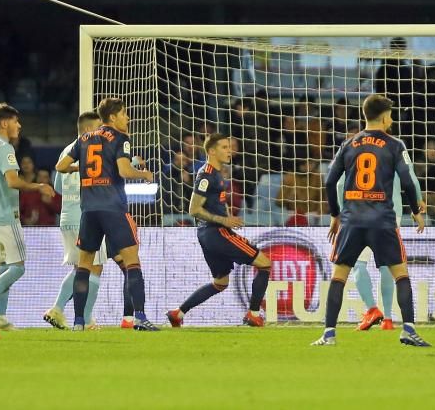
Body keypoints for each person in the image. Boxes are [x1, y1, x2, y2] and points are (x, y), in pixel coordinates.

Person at [312, 94, 430, 347]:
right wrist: (415, 210)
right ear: (385, 116)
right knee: (400, 274)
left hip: (352, 220)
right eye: (391, 115)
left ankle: (329, 334)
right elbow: (407, 180)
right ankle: (408, 330)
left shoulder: (348, 145)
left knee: (339, 277)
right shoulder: (394, 145)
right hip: (383, 220)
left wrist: (335, 215)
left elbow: (330, 181)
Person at [56, 98, 157, 331]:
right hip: (113, 209)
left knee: (83, 266)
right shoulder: (121, 139)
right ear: (112, 117)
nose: (127, 118)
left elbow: (60, 166)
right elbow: (123, 170)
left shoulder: (83, 139)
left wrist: (80, 168)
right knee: (132, 263)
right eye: (124, 114)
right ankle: (139, 317)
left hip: (89, 211)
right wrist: (143, 174)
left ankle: (79, 322)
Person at [167, 133, 273, 327]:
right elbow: (194, 209)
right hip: (216, 232)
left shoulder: (217, 173)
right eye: (224, 147)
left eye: (229, 147)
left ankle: (178, 313)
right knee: (265, 263)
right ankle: (254, 313)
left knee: (220, 283)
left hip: (209, 235)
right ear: (211, 151)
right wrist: (224, 220)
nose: (229, 151)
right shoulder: (206, 175)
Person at [45, 112, 132, 330]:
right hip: (87, 213)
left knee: (80, 267)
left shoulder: (68, 151)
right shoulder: (99, 147)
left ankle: (58, 309)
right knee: (95, 267)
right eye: (97, 128)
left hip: (67, 216)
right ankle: (86, 318)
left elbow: (57, 186)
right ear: (86, 130)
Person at [0, 103, 55, 330]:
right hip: (4, 215)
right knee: (18, 268)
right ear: (4, 123)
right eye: (15, 121)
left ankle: (0, 318)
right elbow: (12, 181)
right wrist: (39, 186)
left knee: (3, 267)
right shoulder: (4, 148)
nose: (19, 126)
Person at [338, 145, 423, 332]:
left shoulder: (356, 145)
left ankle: (372, 309)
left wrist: (341, 212)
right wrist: (418, 202)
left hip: (362, 214)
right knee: (387, 267)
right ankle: (389, 319)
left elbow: (338, 184)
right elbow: (410, 177)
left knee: (358, 265)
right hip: (392, 214)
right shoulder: (397, 145)